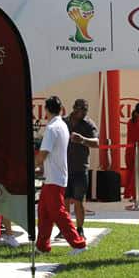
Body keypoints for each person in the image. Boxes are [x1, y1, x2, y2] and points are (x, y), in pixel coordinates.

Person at [35, 96, 86, 254]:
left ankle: (79, 244)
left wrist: (33, 165)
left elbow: (43, 153)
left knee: (58, 213)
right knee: (43, 212)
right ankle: (42, 246)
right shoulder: (62, 125)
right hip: (55, 177)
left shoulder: (51, 128)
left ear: (46, 110)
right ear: (61, 109)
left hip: (54, 179)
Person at [64, 98, 98, 238]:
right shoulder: (64, 122)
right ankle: (65, 228)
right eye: (80, 109)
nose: (83, 112)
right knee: (65, 200)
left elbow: (96, 142)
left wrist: (82, 139)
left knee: (79, 200)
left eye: (85, 109)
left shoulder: (88, 124)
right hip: (64, 167)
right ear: (74, 108)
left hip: (80, 167)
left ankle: (79, 229)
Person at [124, 102, 139, 209]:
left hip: (129, 150)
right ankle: (136, 197)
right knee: (137, 174)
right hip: (138, 150)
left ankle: (131, 195)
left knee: (130, 173)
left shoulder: (130, 122)